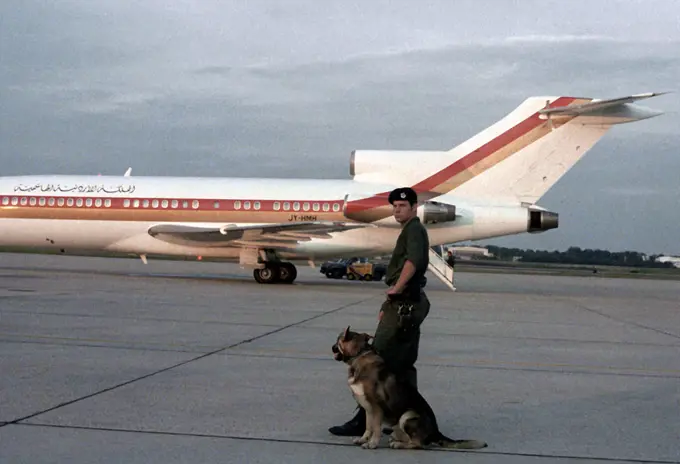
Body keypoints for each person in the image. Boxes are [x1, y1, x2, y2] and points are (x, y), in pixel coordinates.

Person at [329, 186, 431, 437]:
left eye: (403, 206)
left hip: (404, 302)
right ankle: (402, 418)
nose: (397, 210)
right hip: (408, 302)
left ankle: (363, 419)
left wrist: (396, 289)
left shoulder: (414, 229)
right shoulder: (410, 229)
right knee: (404, 364)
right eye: (395, 206)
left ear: (414, 207)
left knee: (376, 360)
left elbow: (412, 261)